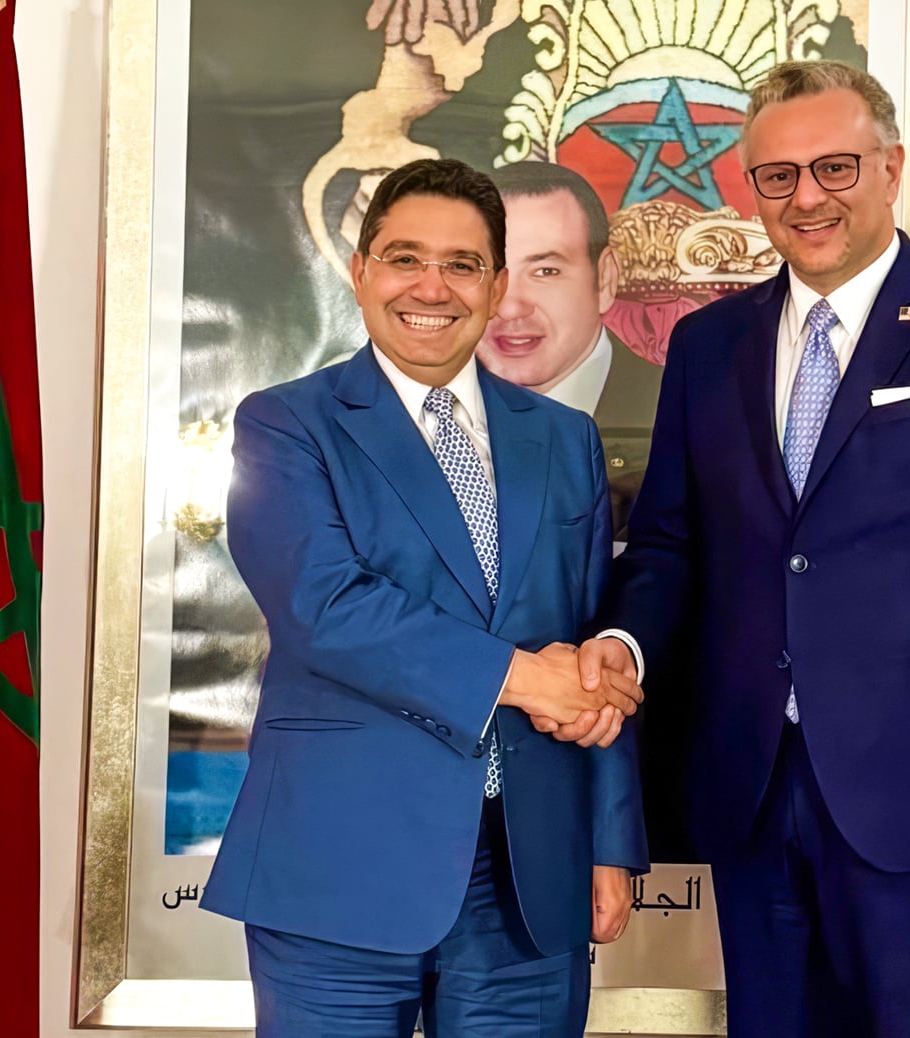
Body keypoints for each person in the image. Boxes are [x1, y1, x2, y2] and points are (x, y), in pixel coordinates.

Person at [569, 61, 910, 1036]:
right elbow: (670, 542)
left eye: (834, 168)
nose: (806, 197)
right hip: (749, 794)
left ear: (890, 168)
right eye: (777, 175)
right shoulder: (708, 344)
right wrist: (624, 643)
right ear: (751, 188)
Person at [199, 158, 648, 1037]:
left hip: (529, 877)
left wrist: (608, 840)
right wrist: (524, 677)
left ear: (495, 285)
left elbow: (593, 639)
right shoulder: (286, 423)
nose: (431, 288)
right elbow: (326, 606)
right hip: (338, 867)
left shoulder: (565, 439)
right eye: (405, 259)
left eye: (462, 264)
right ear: (360, 271)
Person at [477, 162, 663, 542]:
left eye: (546, 271)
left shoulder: (687, 412)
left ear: (605, 279)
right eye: (490, 272)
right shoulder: (420, 417)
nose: (510, 307)